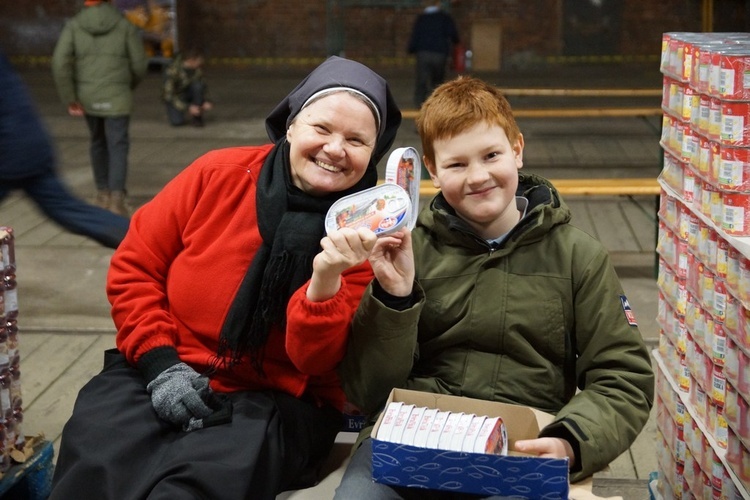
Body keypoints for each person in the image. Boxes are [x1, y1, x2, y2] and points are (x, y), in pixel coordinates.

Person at [49, 55, 401, 500]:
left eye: (356, 139)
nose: (336, 148)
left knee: (190, 488)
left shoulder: (368, 230)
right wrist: (160, 365)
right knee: (96, 463)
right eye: (322, 128)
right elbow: (136, 267)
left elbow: (315, 363)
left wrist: (325, 279)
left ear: (373, 153)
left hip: (274, 400)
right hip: (164, 366)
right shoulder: (218, 174)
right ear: (291, 125)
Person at [334, 76, 655, 498]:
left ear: (517, 150)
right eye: (457, 164)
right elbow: (367, 390)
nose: (478, 176)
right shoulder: (407, 251)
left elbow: (622, 375)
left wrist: (570, 440)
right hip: (413, 440)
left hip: (523, 443)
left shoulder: (578, 256)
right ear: (432, 170)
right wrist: (395, 298)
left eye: (491, 155)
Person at [0, 51, 129, 249]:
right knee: (69, 210)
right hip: (30, 143)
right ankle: (144, 239)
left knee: (67, 209)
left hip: (8, 149)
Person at [51, 0, 148, 217]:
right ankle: (117, 199)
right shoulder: (124, 25)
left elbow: (60, 63)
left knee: (97, 141)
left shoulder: (74, 25)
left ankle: (102, 194)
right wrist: (125, 86)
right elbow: (140, 64)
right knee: (118, 144)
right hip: (118, 96)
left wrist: (71, 97)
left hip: (88, 97)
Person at [407, 0, 459, 108]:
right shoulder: (445, 18)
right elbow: (453, 35)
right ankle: (436, 105)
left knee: (422, 80)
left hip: (423, 53)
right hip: (439, 53)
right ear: (437, 4)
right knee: (437, 81)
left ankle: (419, 105)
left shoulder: (421, 19)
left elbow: (415, 36)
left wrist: (411, 49)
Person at [162, 47, 213, 127]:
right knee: (177, 122)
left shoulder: (197, 70)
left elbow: (203, 85)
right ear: (191, 60)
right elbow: (168, 95)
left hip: (189, 92)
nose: (201, 63)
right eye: (198, 61)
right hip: (176, 97)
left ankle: (197, 117)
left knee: (198, 86)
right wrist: (187, 107)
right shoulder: (172, 70)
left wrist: (205, 101)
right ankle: (185, 112)